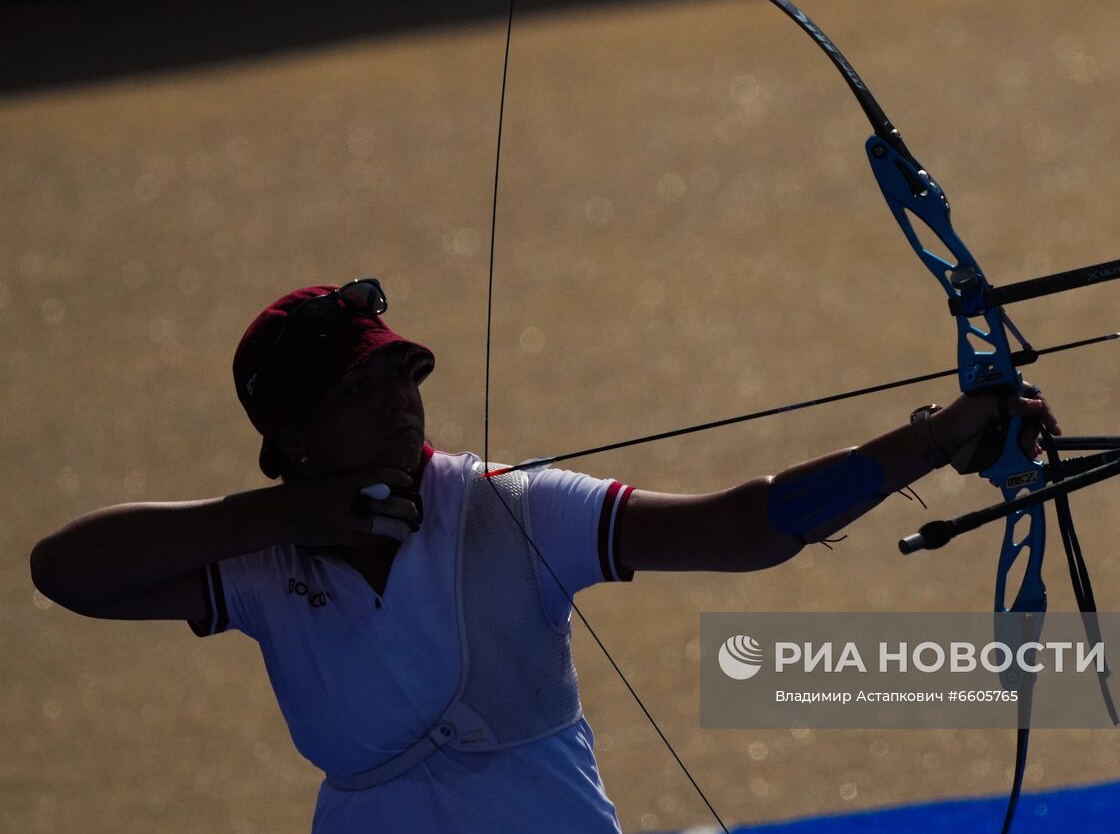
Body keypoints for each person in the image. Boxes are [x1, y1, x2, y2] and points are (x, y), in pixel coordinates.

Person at [29, 277, 1060, 833]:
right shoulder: (258, 556)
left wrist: (928, 438)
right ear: (293, 437)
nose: (400, 405)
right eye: (359, 392)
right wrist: (291, 516)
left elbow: (740, 528)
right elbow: (63, 571)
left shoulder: (508, 508)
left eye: (403, 379)